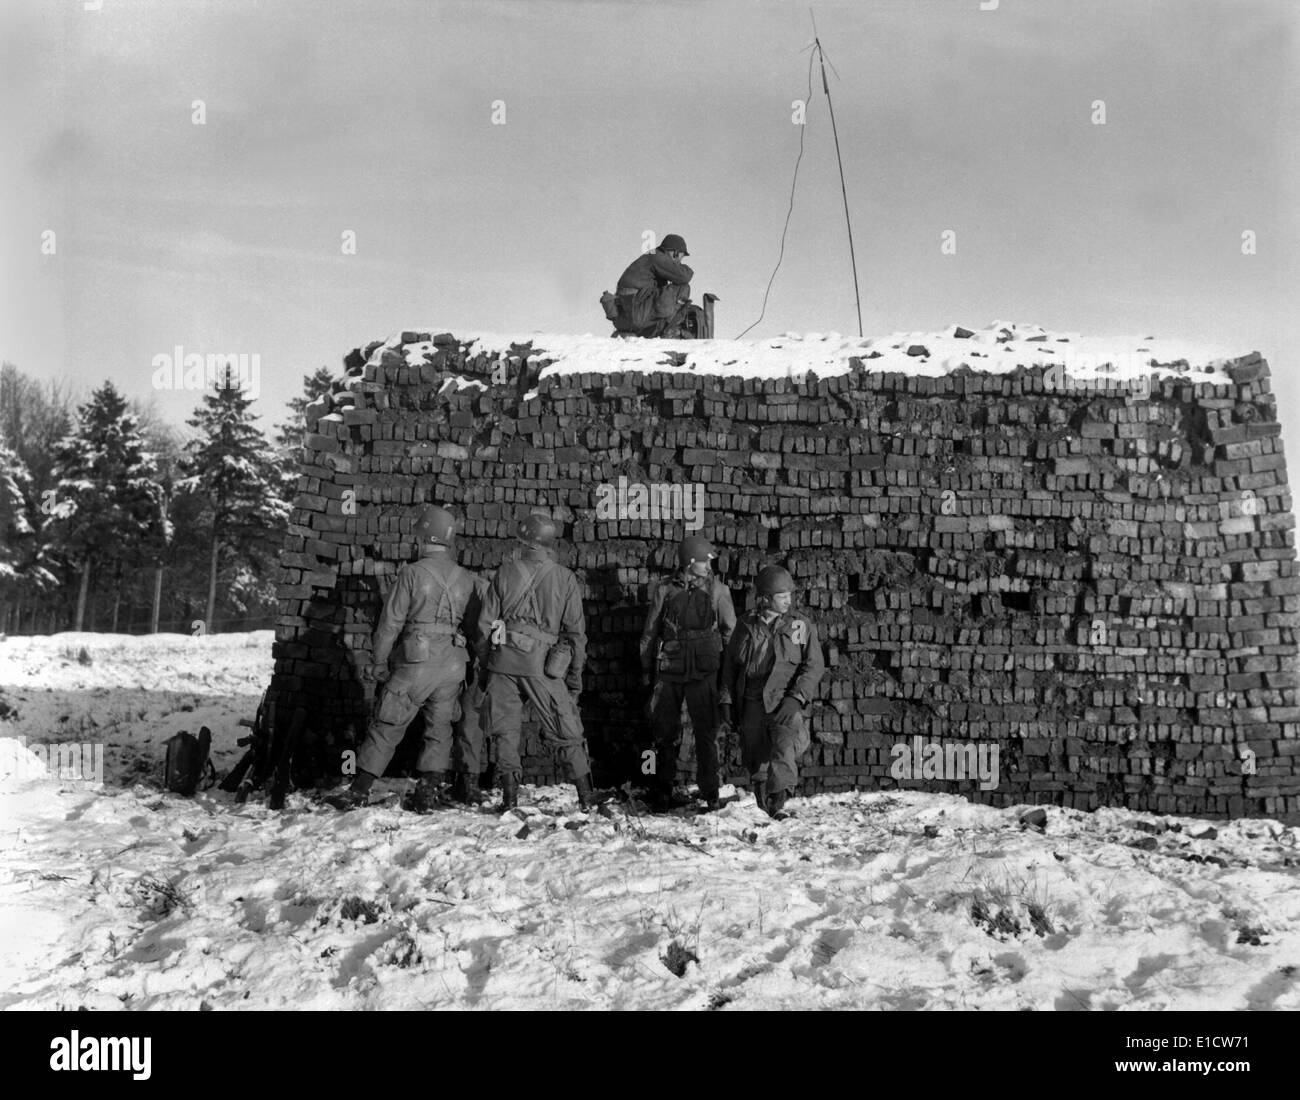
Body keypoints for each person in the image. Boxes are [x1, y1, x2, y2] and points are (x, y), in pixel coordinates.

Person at [328, 505, 479, 812]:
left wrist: (379, 661)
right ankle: (427, 791)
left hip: (416, 661)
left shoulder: (412, 573)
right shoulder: (467, 578)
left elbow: (390, 624)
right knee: (440, 729)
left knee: (388, 723)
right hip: (453, 663)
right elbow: (475, 626)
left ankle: (359, 790)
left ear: (425, 536)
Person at [477, 513, 597, 811]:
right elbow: (576, 635)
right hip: (542, 665)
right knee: (565, 728)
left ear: (524, 540)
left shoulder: (504, 573)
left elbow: (484, 626)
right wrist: (574, 680)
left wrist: (485, 665)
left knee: (505, 731)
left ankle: (509, 799)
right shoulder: (564, 578)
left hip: (503, 662)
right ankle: (586, 797)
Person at [639, 535, 736, 811]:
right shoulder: (664, 590)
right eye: (704, 561)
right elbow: (650, 633)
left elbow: (730, 633)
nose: (708, 566)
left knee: (706, 734)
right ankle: (661, 791)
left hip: (704, 672)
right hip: (669, 670)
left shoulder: (719, 591)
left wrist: (727, 676)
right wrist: (646, 670)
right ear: (689, 562)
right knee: (663, 734)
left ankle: (711, 793)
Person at [720, 565, 825, 819]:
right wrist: (726, 700)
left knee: (784, 746)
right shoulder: (745, 624)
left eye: (790, 595)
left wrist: (796, 698)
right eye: (782, 596)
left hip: (783, 699)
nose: (789, 600)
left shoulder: (799, 625)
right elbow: (730, 666)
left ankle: (780, 801)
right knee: (755, 752)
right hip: (752, 699)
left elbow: (814, 665)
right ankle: (762, 801)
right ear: (766, 598)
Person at [610, 234, 695, 337]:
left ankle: (648, 331)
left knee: (662, 292)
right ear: (675, 253)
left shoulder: (650, 256)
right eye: (681, 257)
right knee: (682, 287)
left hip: (623, 319)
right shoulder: (657, 257)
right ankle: (670, 331)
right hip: (637, 314)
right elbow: (684, 276)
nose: (680, 261)